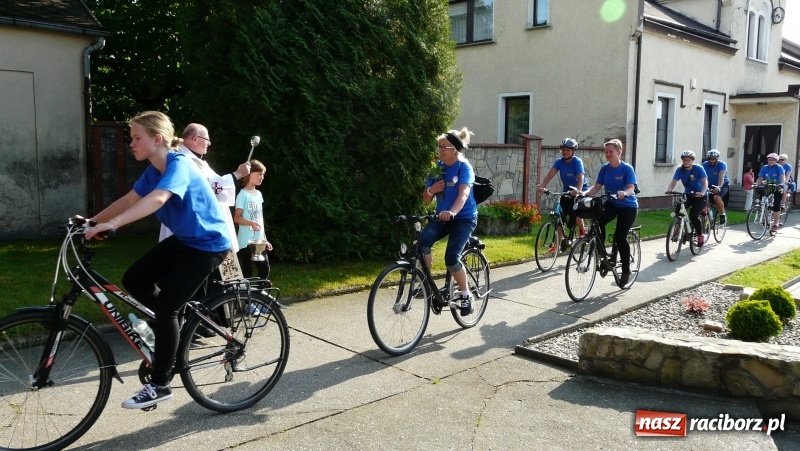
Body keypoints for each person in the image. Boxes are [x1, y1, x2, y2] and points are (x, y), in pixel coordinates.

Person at [86, 111, 231, 409]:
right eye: (131, 137)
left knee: (166, 310)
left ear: (157, 139)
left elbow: (158, 198)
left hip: (208, 245)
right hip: (186, 239)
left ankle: (161, 384)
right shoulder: (153, 168)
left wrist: (114, 225)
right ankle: (172, 329)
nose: (131, 143)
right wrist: (90, 222)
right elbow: (130, 199)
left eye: (137, 137)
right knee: (134, 279)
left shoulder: (178, 164)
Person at [158, 123, 251, 254]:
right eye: (207, 139)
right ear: (195, 139)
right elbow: (208, 186)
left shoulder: (193, 159)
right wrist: (238, 174)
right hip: (186, 218)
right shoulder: (184, 159)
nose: (209, 143)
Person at [422, 127, 478, 316]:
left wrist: (452, 212)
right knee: (422, 243)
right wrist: (432, 190)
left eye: (444, 147)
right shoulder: (437, 168)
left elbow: (464, 194)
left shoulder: (464, 167)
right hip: (442, 217)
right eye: (439, 146)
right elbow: (426, 199)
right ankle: (426, 285)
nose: (441, 150)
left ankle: (465, 294)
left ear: (455, 149)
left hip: (463, 218)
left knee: (451, 258)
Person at [577, 139, 638, 286]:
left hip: (628, 206)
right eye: (606, 152)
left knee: (620, 236)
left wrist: (625, 192)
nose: (608, 154)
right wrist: (584, 193)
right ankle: (603, 253)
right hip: (612, 203)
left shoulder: (626, 169)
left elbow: (631, 187)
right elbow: (597, 187)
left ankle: (625, 270)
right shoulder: (605, 169)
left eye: (611, 151)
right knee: (598, 221)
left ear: (619, 152)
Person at [538, 138, 589, 251]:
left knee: (574, 211)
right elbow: (549, 175)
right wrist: (543, 187)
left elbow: (580, 178)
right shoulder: (559, 161)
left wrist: (578, 191)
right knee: (559, 215)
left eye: (567, 150)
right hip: (567, 191)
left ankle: (582, 230)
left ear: (573, 151)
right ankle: (558, 243)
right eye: (563, 150)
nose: (565, 152)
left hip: (580, 190)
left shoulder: (577, 162)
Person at [234, 159, 272, 285]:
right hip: (246, 242)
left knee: (264, 268)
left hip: (259, 241)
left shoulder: (259, 194)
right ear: (249, 174)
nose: (262, 177)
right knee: (248, 273)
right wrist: (250, 223)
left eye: (263, 174)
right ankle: (247, 301)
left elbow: (260, 218)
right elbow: (237, 218)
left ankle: (260, 298)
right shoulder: (242, 195)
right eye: (259, 174)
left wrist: (265, 239)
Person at [667, 150, 709, 247]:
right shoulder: (679, 170)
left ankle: (700, 235)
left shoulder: (698, 168)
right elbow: (674, 181)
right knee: (678, 211)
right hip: (688, 194)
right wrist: (670, 189)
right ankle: (677, 230)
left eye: (688, 160)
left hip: (700, 195)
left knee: (693, 215)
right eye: (684, 160)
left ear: (692, 160)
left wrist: (702, 192)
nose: (686, 162)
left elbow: (705, 182)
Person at [755, 153, 786, 234]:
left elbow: (783, 177)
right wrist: (756, 184)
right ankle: (763, 211)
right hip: (768, 186)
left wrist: (781, 184)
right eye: (769, 160)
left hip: (777, 186)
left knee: (776, 204)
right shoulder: (765, 167)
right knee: (762, 198)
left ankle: (775, 223)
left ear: (776, 161)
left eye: (772, 160)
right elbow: (760, 178)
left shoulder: (779, 167)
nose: (770, 161)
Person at [701, 149, 729, 225]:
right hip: (709, 185)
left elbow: (721, 176)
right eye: (709, 159)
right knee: (702, 198)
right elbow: (701, 176)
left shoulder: (722, 164)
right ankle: (708, 219)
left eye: (713, 159)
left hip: (722, 185)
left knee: (716, 198)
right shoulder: (704, 165)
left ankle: (722, 214)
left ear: (717, 159)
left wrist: (719, 187)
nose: (711, 161)